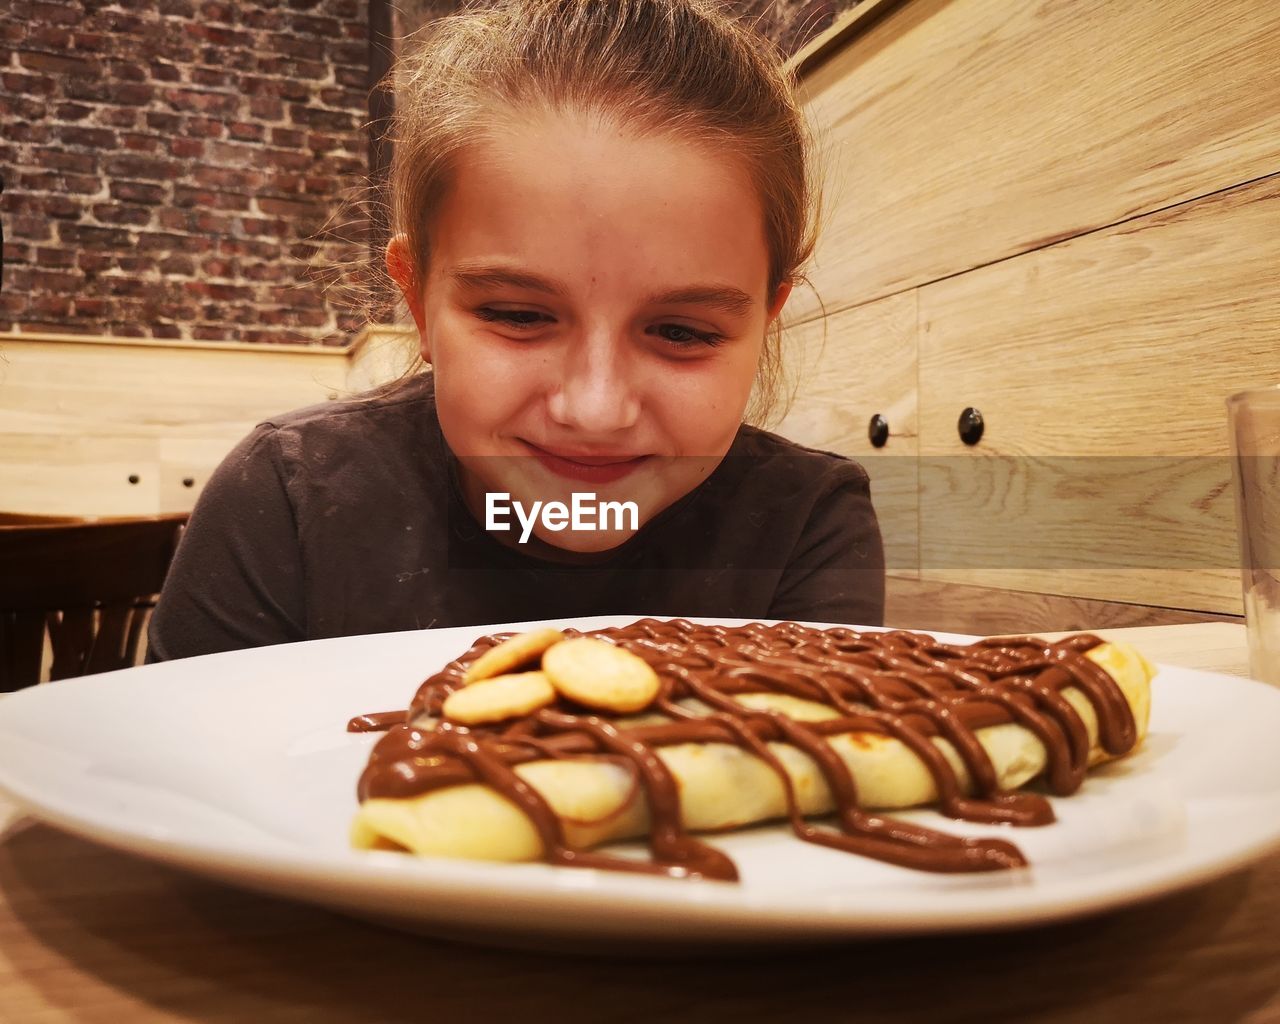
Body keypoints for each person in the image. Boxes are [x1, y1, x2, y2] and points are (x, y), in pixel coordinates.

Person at [147, 0, 885, 661]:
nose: (594, 410)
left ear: (765, 320)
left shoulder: (805, 526)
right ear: (416, 301)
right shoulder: (289, 499)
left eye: (683, 332)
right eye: (518, 315)